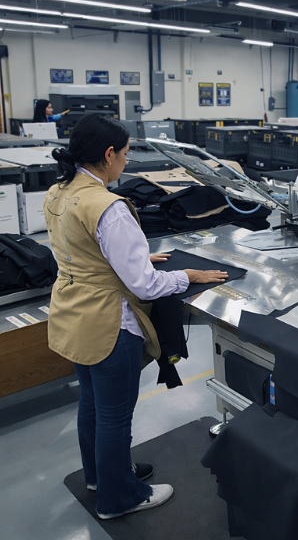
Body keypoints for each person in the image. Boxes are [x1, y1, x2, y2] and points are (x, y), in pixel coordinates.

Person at [43, 113, 228, 520]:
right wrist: (187, 276)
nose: (127, 162)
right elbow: (145, 287)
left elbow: (81, 248)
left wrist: (135, 255)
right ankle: (119, 497)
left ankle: (100, 476)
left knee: (91, 405)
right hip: (108, 324)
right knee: (114, 417)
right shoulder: (109, 207)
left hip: (72, 314)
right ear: (108, 155)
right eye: (125, 155)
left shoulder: (60, 192)